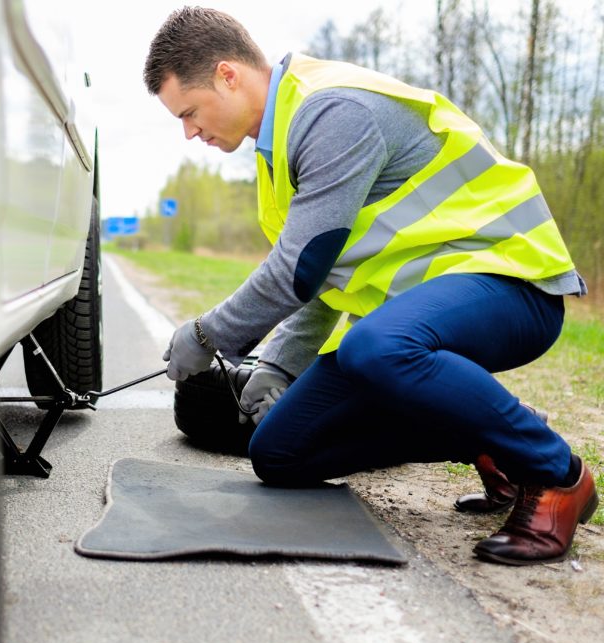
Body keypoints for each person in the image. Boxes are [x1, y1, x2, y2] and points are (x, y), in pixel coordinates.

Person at [146, 6, 597, 566]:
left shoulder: (332, 111)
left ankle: (556, 474)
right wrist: (279, 365)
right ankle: (491, 438)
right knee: (279, 452)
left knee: (374, 348)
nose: (189, 131)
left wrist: (207, 333)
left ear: (227, 75)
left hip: (512, 283)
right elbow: (326, 274)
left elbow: (299, 267)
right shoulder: (277, 149)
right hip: (416, 317)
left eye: (188, 112)